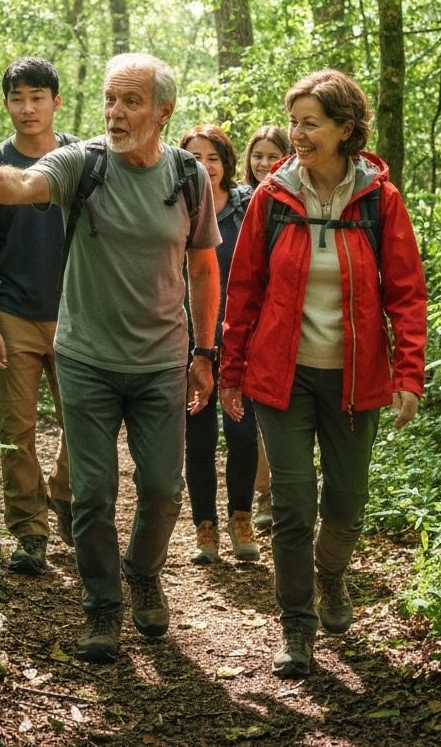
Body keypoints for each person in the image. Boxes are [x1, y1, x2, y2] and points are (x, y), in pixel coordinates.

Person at [0, 53, 221, 665]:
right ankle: (102, 606)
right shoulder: (84, 162)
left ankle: (143, 571)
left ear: (163, 112)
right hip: (87, 358)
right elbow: (26, 183)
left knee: (163, 489)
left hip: (162, 359)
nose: (115, 113)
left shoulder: (189, 176)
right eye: (109, 99)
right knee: (93, 492)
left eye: (131, 101)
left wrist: (205, 352)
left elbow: (205, 268)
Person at [220, 70, 426, 679]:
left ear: (345, 128)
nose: (298, 135)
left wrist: (408, 374)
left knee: (347, 500)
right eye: (294, 123)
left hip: (355, 380)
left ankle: (330, 575)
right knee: (292, 503)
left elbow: (406, 294)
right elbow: (244, 289)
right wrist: (231, 370)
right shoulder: (272, 197)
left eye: (311, 123)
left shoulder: (380, 200)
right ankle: (296, 624)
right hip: (281, 378)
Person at [0, 56, 76, 576]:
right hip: (12, 314)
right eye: (17, 99)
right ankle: (29, 533)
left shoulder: (81, 158)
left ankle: (64, 492)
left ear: (56, 101)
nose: (28, 108)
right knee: (17, 429)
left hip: (78, 314)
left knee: (84, 424)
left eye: (37, 98)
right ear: (6, 105)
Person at [178, 125, 259, 565]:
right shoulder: (176, 206)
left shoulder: (246, 207)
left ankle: (241, 518)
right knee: (199, 438)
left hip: (240, 340)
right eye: (194, 158)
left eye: (212, 157)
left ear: (226, 162)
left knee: (243, 434)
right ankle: (205, 528)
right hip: (190, 341)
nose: (205, 166)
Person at [241, 125, 292, 532]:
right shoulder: (237, 200)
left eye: (272, 155)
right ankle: (262, 495)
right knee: (256, 422)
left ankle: (282, 495)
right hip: (245, 321)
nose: (263, 163)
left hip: (281, 322)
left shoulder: (290, 199)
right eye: (257, 155)